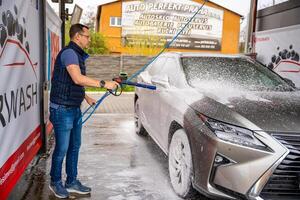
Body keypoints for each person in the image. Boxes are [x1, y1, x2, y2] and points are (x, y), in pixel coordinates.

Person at [49, 23, 118, 199]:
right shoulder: (70, 53)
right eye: (87, 36)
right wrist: (104, 84)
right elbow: (78, 78)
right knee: (62, 148)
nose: (89, 39)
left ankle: (71, 182)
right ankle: (55, 181)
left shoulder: (76, 54)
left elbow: (72, 82)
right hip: (62, 110)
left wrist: (86, 97)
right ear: (77, 36)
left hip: (74, 108)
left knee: (74, 147)